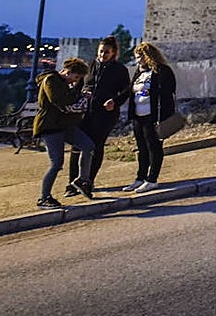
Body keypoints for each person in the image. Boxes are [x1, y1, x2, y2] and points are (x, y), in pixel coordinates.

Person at [66, 36, 130, 196]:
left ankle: (88, 181)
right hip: (85, 113)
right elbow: (80, 84)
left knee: (96, 147)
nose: (103, 54)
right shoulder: (90, 66)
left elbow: (126, 91)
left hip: (105, 115)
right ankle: (72, 183)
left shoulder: (120, 70)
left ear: (113, 53)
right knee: (77, 146)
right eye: (101, 51)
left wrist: (114, 101)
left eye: (107, 52)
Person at [33, 57, 96, 209]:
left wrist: (77, 93)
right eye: (75, 77)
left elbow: (69, 100)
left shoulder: (63, 83)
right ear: (67, 72)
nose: (74, 81)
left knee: (88, 146)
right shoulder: (51, 81)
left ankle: (82, 179)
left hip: (65, 125)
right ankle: (44, 197)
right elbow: (61, 101)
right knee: (56, 163)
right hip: (50, 126)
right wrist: (78, 94)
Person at [125, 41, 177, 192]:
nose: (138, 60)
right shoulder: (139, 72)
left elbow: (169, 90)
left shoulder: (162, 71)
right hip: (138, 115)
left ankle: (152, 178)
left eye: (140, 57)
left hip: (154, 115)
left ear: (148, 56)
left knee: (154, 147)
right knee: (142, 148)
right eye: (136, 57)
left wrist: (150, 92)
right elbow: (130, 89)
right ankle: (140, 178)